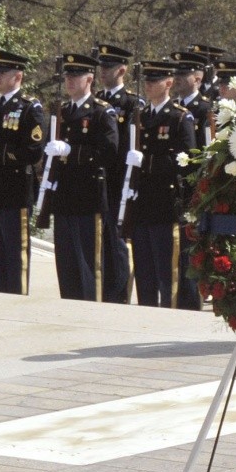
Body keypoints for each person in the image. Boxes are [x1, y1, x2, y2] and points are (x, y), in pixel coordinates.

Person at [43, 53, 121, 301]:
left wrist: (71, 151)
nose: (69, 81)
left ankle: (91, 310)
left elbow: (109, 152)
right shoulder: (61, 111)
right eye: (67, 76)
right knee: (66, 264)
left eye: (75, 76)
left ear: (89, 79)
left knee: (89, 265)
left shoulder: (101, 112)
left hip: (88, 197)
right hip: (63, 196)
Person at [0, 51, 45, 294]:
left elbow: (32, 151)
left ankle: (16, 301)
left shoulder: (29, 108)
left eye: (3, 73)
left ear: (18, 76)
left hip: (15, 191)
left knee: (16, 254)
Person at [127, 60, 198, 307]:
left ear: (168, 83)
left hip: (166, 205)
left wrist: (146, 162)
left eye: (154, 81)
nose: (148, 85)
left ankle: (172, 313)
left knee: (169, 272)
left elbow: (186, 161)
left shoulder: (180, 118)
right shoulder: (141, 116)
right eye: (146, 80)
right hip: (141, 204)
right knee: (145, 272)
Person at [169, 52, 213, 310]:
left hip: (194, 186)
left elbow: (206, 151)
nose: (177, 79)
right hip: (176, 186)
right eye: (175, 74)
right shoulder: (176, 109)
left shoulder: (205, 109)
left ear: (198, 78)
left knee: (192, 245)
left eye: (183, 74)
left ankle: (193, 296)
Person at [95, 44, 138, 303]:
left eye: (109, 67)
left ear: (122, 69)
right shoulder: (97, 100)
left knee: (118, 240)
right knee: (101, 240)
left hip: (119, 180)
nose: (103, 71)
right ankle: (105, 288)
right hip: (98, 181)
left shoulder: (132, 103)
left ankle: (119, 291)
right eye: (101, 67)